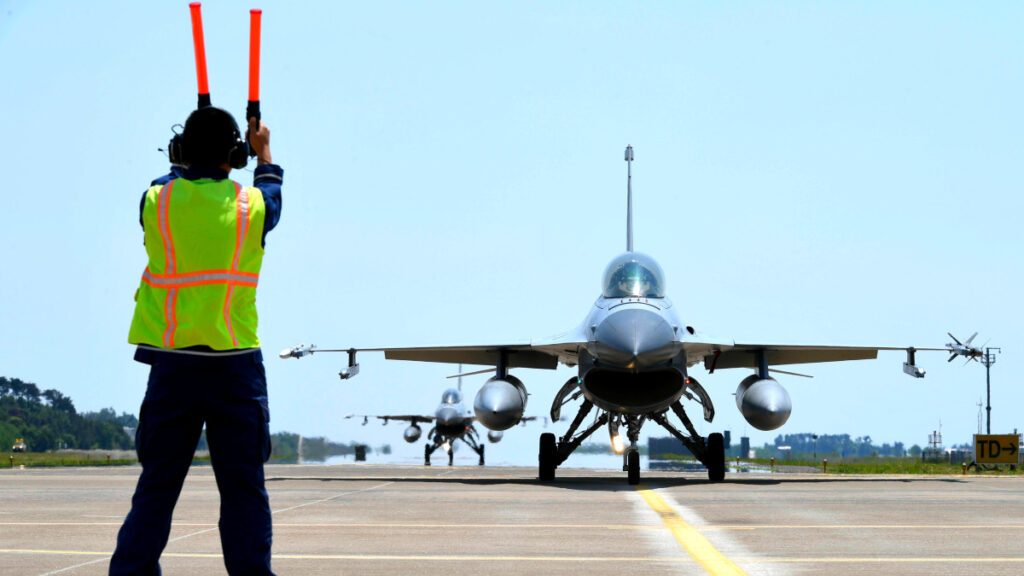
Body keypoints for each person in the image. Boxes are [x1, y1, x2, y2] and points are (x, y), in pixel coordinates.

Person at [110, 106, 283, 576]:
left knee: (157, 486)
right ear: (234, 154)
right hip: (235, 365)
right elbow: (271, 188)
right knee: (244, 488)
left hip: (172, 365)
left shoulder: (157, 201)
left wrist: (185, 157)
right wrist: (262, 151)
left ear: (180, 151)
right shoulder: (252, 207)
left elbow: (167, 183)